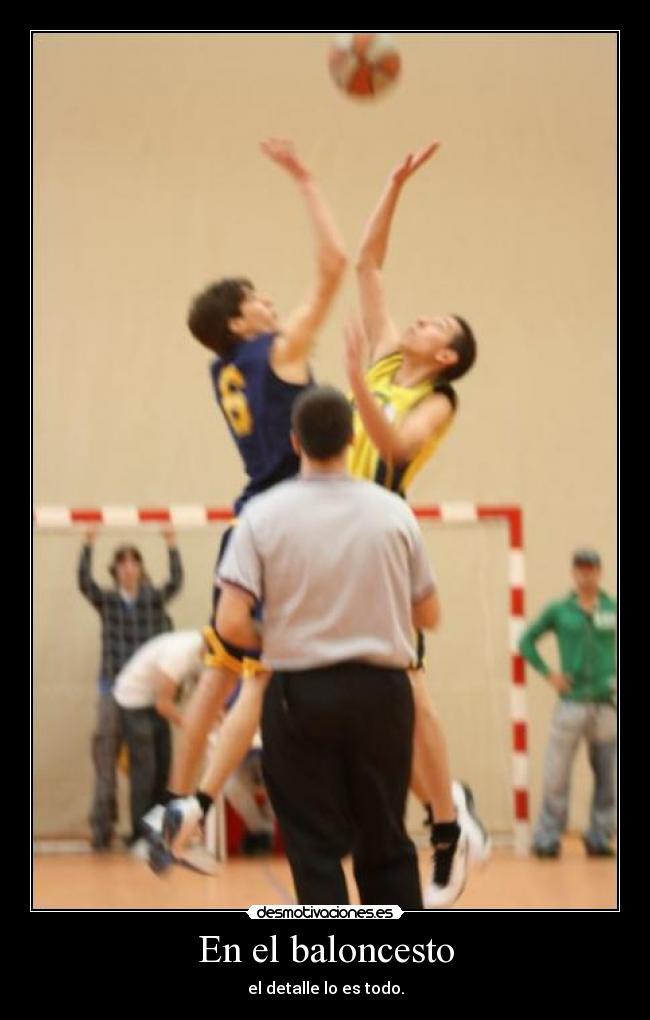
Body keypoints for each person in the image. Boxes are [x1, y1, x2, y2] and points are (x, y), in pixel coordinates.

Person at [154, 143, 488, 909]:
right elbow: (367, 265)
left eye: (436, 323)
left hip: (377, 528)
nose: (421, 318)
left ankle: (448, 823)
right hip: (329, 524)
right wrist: (393, 184)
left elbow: (397, 446)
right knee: (344, 685)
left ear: (446, 355)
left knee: (410, 685)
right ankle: (199, 806)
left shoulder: (436, 400)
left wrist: (346, 412)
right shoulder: (380, 361)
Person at [152, 138, 347, 829]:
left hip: (252, 512)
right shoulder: (277, 351)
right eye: (259, 298)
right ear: (241, 322)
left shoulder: (223, 368)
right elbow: (333, 268)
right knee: (288, 669)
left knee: (222, 663)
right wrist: (307, 179)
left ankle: (174, 806)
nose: (271, 303)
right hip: (296, 518)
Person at [217, 385, 436, 906]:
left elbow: (231, 622)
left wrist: (283, 637)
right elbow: (429, 614)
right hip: (383, 691)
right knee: (385, 842)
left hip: (299, 693)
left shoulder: (262, 514)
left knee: (314, 849)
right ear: (354, 436)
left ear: (294, 442)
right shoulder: (394, 512)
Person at [78, 529, 183, 849]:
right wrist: (87, 545)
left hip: (144, 694)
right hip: (112, 688)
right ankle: (101, 831)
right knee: (105, 760)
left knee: (149, 765)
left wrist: (171, 545)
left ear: (140, 568)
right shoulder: (107, 600)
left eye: (133, 562)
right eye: (121, 564)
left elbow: (175, 583)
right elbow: (85, 584)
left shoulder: (152, 598)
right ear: (115, 570)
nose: (128, 568)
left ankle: (146, 831)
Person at [519, 548, 617, 858]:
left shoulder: (612, 608)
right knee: (556, 773)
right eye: (580, 568)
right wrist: (550, 675)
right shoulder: (559, 610)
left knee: (609, 775)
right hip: (571, 704)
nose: (586, 573)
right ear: (573, 572)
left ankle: (600, 835)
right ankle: (548, 836)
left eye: (591, 568)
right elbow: (526, 641)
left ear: (599, 572)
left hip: (606, 705)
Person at [113, 630, 203, 852]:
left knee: (164, 770)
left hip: (153, 702)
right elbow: (164, 703)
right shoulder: (181, 654)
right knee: (146, 771)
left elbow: (208, 696)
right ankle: (139, 839)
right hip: (132, 700)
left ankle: (161, 834)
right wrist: (192, 726)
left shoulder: (207, 656)